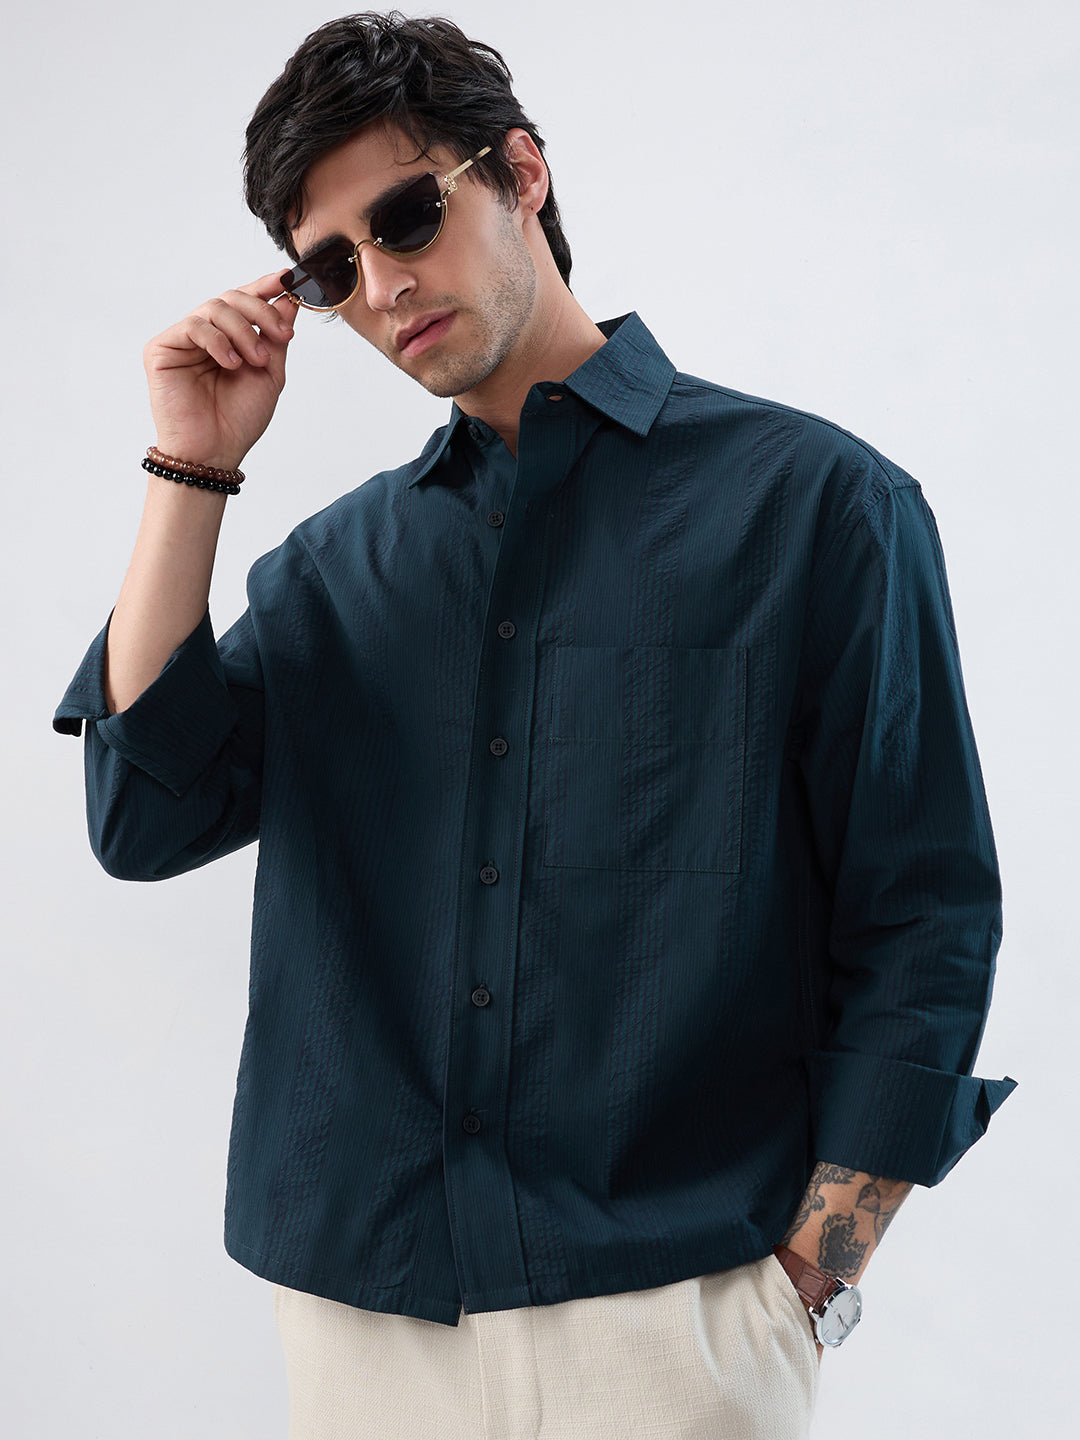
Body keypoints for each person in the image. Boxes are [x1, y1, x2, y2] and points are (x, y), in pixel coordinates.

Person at [53, 11, 1016, 1439]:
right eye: (332, 268)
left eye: (406, 216)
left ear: (519, 173)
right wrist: (189, 467)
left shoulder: (817, 508)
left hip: (672, 1314)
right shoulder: (334, 574)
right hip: (367, 1319)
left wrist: (811, 1281)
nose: (384, 284)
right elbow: (143, 816)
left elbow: (923, 914)